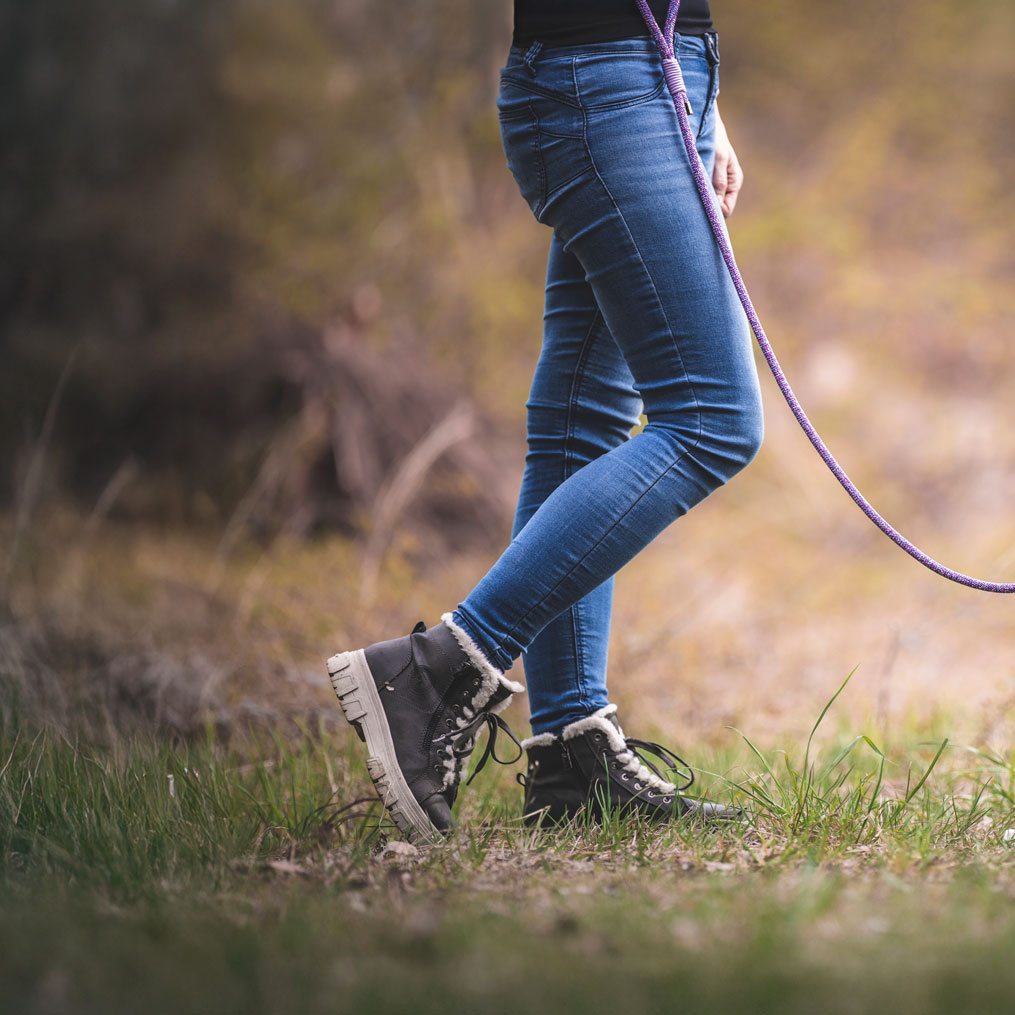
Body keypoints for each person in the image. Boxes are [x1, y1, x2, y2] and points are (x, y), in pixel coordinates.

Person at [324, 0, 757, 841]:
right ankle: (435, 671)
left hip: (654, 74)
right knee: (711, 419)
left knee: (582, 422)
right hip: (601, 83)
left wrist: (703, 101)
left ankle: (568, 753)